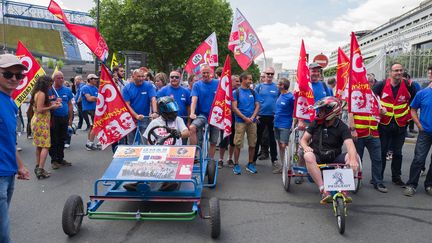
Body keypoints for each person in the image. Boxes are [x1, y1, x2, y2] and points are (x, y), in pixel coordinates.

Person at [300, 96, 359, 204]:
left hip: (334, 157)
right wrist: (306, 147)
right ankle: (324, 190)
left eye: (322, 110)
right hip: (317, 156)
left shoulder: (342, 127)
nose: (320, 113)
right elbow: (303, 140)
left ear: (332, 111)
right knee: (307, 155)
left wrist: (353, 159)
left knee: (354, 156)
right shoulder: (316, 123)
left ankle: (344, 190)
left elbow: (350, 145)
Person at [124, 97, 189, 192]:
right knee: (146, 160)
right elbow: (148, 140)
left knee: (172, 164)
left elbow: (187, 133)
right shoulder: (155, 122)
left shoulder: (178, 120)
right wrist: (153, 151)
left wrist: (179, 134)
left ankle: (169, 183)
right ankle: (140, 182)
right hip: (160, 152)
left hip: (175, 152)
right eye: (171, 111)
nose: (174, 113)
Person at [0, 53, 30, 243]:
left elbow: (9, 139)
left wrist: (20, 166)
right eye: (8, 74)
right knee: (3, 234)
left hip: (9, 173)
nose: (14, 79)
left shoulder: (10, 102)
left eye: (18, 76)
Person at [373, 63, 416, 186]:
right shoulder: (381, 85)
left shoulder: (408, 85)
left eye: (400, 70)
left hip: (401, 124)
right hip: (384, 123)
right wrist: (378, 110)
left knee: (398, 153)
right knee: (382, 151)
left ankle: (396, 177)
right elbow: (371, 99)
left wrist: (408, 115)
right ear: (390, 72)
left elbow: (414, 100)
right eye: (396, 70)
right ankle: (378, 178)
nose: (398, 73)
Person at [348, 93, 388, 193]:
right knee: (356, 159)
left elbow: (381, 111)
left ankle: (377, 182)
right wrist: (352, 129)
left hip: (373, 133)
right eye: (367, 81)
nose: (369, 84)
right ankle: (355, 181)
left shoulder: (376, 97)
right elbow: (350, 113)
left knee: (377, 159)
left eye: (371, 82)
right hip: (359, 133)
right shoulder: (354, 95)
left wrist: (384, 111)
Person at [404, 66, 432, 197]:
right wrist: (418, 125)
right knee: (419, 159)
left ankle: (429, 185)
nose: (430, 74)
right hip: (425, 132)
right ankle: (411, 185)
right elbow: (413, 109)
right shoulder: (422, 93)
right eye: (429, 73)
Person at [30, 75, 61, 178]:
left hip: (37, 121)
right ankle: (41, 169)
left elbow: (40, 106)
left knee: (39, 146)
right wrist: (52, 106)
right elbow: (40, 109)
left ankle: (38, 166)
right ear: (45, 84)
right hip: (41, 122)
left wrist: (51, 103)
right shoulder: (42, 93)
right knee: (46, 146)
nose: (50, 87)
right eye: (49, 84)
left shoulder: (37, 92)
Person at [189, 64, 219, 163]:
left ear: (211, 73)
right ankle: (193, 155)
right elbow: (194, 99)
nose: (205, 74)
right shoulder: (197, 85)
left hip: (215, 116)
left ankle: (210, 161)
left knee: (213, 141)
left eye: (207, 72)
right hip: (202, 115)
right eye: (203, 73)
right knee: (192, 128)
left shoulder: (217, 83)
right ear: (200, 74)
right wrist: (192, 113)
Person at [232, 72, 260, 174]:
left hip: (252, 122)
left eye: (251, 79)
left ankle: (250, 163)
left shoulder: (253, 92)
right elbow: (234, 108)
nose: (250, 81)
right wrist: (244, 118)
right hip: (240, 122)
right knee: (238, 143)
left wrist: (252, 117)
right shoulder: (236, 92)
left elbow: (257, 105)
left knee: (252, 143)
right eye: (249, 79)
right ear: (243, 79)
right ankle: (236, 164)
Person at [253, 67, 279, 171]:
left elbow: (279, 100)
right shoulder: (259, 87)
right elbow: (254, 101)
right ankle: (253, 160)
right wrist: (256, 114)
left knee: (272, 140)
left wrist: (277, 114)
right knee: (257, 139)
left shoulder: (277, 87)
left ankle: (274, 160)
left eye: (271, 74)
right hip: (261, 116)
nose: (269, 76)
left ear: (273, 75)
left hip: (272, 117)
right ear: (265, 74)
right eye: (268, 73)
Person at [123, 69, 158, 144]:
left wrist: (155, 112)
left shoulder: (148, 85)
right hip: (130, 118)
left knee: (144, 141)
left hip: (145, 118)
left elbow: (153, 98)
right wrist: (136, 115)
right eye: (139, 76)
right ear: (133, 77)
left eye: (142, 76)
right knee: (131, 142)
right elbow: (127, 104)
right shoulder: (127, 88)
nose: (141, 78)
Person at [49, 71, 74, 169]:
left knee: (62, 139)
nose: (61, 80)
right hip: (54, 118)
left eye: (62, 78)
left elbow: (70, 104)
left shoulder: (67, 90)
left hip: (64, 117)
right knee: (54, 140)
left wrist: (70, 118)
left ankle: (60, 158)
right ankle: (54, 160)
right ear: (54, 79)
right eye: (59, 78)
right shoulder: (50, 90)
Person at [218, 75, 240, 168]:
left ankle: (230, 158)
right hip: (226, 118)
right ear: (231, 82)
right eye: (237, 81)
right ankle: (220, 159)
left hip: (236, 118)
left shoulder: (239, 92)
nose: (239, 83)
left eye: (239, 81)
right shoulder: (224, 92)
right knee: (223, 139)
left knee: (233, 140)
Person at [274, 78, 295, 174]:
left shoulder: (291, 97)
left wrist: (293, 124)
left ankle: (288, 167)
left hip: (285, 125)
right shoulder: (280, 95)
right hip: (277, 124)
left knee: (284, 146)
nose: (277, 86)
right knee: (280, 145)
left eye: (278, 84)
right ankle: (282, 166)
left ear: (282, 86)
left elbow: (295, 111)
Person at [82, 74, 100, 150]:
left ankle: (90, 142)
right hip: (88, 110)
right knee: (93, 126)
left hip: (94, 110)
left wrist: (95, 98)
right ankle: (89, 143)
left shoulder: (96, 88)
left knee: (94, 126)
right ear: (90, 79)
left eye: (96, 79)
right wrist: (97, 98)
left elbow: (93, 98)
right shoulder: (85, 87)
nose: (96, 80)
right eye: (94, 79)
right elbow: (89, 99)